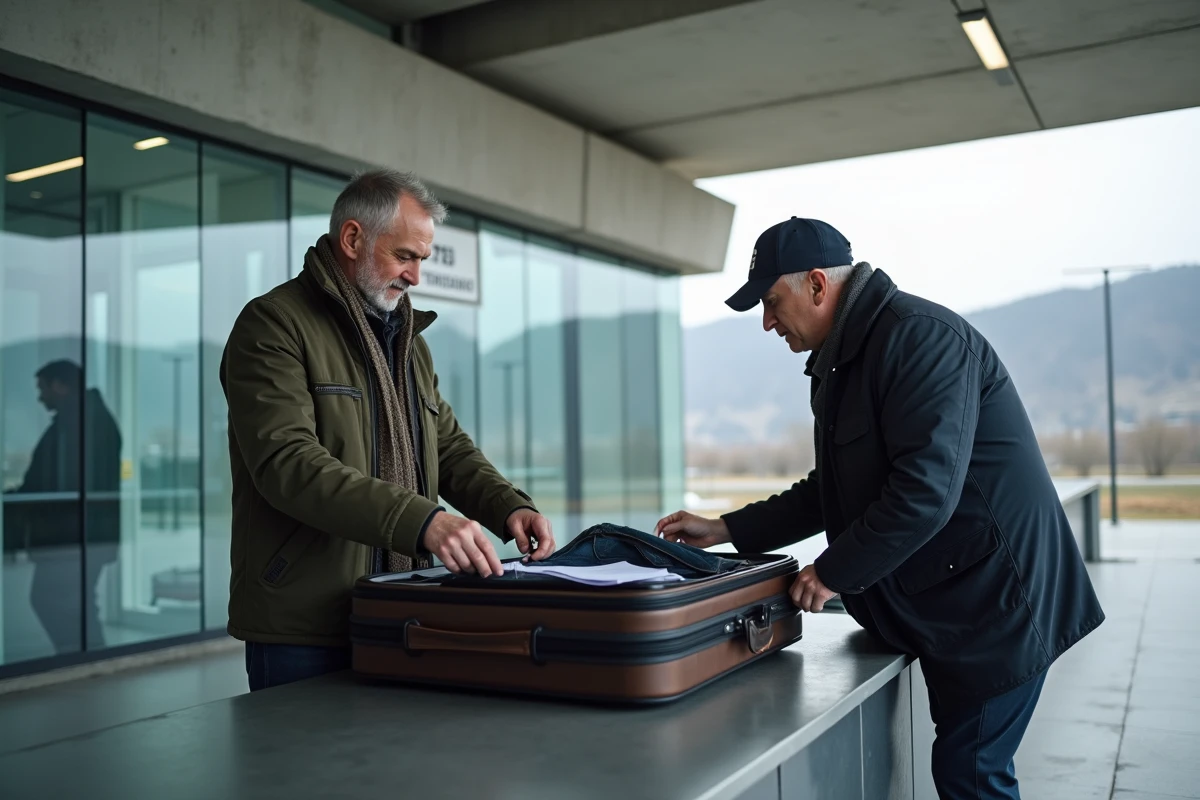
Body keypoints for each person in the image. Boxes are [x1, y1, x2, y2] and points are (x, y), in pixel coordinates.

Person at [656, 217, 1104, 799]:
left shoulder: (921, 340)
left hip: (1000, 605)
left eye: (771, 301)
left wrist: (833, 571)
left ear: (818, 285)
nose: (766, 322)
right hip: (958, 605)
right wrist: (726, 528)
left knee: (972, 773)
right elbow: (833, 487)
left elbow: (925, 494)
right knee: (969, 768)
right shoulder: (843, 360)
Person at [221, 168, 556, 691]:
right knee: (302, 775)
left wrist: (507, 505)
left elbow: (444, 443)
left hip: (402, 608)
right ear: (353, 238)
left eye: (422, 260)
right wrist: (423, 522)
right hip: (305, 628)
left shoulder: (407, 339)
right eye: (404, 256)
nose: (415, 277)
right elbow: (287, 464)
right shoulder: (273, 325)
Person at [5, 360, 121, 654]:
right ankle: (88, 656)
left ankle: (84, 655)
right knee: (74, 601)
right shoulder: (81, 420)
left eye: (42, 388)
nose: (40, 397)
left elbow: (62, 481)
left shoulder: (79, 424)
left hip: (75, 534)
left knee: (52, 599)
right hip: (81, 533)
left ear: (60, 385)